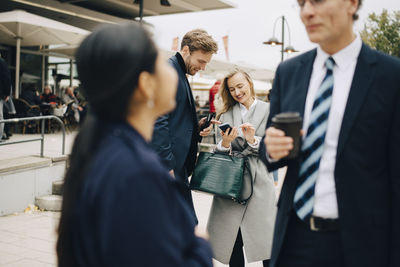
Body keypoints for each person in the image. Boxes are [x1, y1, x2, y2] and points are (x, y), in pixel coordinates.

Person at [56, 23, 213, 267]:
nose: (167, 67)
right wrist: (201, 243)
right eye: (157, 64)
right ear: (145, 83)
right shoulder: (139, 173)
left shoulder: (104, 146)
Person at [260, 0, 400, 267]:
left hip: (363, 246)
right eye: (301, 4)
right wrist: (271, 149)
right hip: (293, 239)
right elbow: (269, 150)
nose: (307, 12)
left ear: (352, 4)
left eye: (318, 1)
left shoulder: (391, 77)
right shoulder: (288, 72)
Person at [207, 70, 276, 267]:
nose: (237, 92)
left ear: (249, 83)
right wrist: (226, 143)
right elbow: (217, 149)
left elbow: (275, 147)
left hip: (260, 181)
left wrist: (253, 140)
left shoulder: (270, 110)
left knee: (266, 240)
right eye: (232, 89)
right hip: (231, 182)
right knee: (232, 240)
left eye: (240, 86)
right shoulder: (225, 113)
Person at [151, 29, 219, 219]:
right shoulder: (169, 71)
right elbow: (158, 120)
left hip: (175, 164)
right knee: (185, 225)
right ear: (187, 50)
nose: (203, 68)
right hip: (169, 166)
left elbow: (174, 120)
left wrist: (197, 128)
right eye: (201, 61)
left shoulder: (177, 72)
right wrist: (167, 166)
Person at [0, 56, 11, 142]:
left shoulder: (1, 62)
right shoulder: (2, 62)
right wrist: (6, 93)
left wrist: (6, 93)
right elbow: (6, 78)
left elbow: (6, 78)